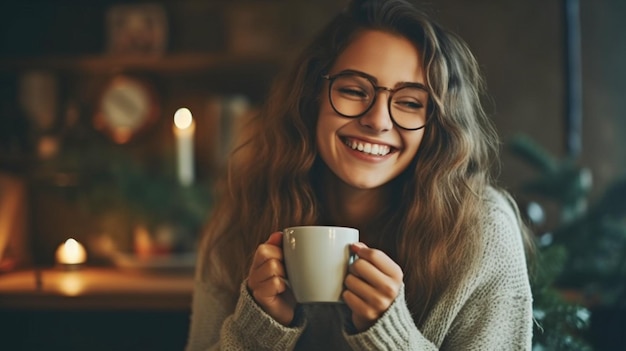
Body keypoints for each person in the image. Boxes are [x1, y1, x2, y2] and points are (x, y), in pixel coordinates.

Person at [186, 0, 534, 349]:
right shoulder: (242, 212)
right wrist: (259, 327)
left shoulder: (481, 228)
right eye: (354, 90)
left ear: (436, 125)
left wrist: (391, 335)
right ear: (313, 96)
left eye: (411, 102)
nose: (377, 121)